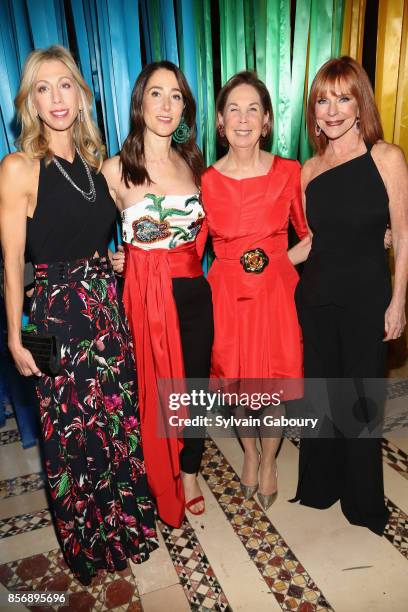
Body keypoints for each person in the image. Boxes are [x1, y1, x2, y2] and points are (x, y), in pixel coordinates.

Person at [0, 45, 158, 585]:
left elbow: (107, 235)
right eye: (42, 89)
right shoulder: (19, 167)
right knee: (68, 435)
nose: (56, 98)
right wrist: (18, 339)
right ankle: (88, 543)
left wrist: (114, 259)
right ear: (30, 102)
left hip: (105, 311)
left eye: (64, 85)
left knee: (115, 424)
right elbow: (12, 262)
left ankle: (127, 527)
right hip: (50, 317)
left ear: (81, 94)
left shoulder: (96, 167)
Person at [292, 56, 408, 535]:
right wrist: (251, 270)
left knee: (361, 403)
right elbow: (312, 240)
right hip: (315, 298)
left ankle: (363, 501)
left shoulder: (387, 157)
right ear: (313, 110)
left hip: (366, 298)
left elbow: (401, 235)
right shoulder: (309, 169)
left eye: (343, 98)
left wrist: (398, 301)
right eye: (323, 99)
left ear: (360, 104)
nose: (333, 109)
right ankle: (320, 486)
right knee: (322, 397)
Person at [103, 61, 213, 526]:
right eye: (156, 94)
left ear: (184, 106)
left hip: (192, 294)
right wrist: (116, 257)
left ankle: (188, 472)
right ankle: (152, 471)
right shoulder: (112, 170)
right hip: (143, 301)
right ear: (139, 102)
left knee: (194, 389)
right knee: (148, 393)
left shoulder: (194, 164)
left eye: (176, 96)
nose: (166, 105)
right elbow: (81, 236)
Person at [201, 71, 311, 510]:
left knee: (273, 389)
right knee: (235, 387)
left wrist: (277, 261)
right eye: (234, 109)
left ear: (266, 120)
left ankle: (269, 462)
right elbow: (190, 251)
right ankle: (248, 452)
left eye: (253, 110)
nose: (243, 119)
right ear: (220, 122)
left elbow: (309, 236)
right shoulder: (206, 181)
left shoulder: (289, 172)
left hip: (275, 297)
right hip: (226, 297)